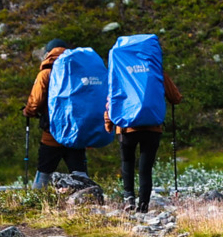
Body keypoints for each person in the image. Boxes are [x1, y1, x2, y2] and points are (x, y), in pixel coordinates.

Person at [104, 33, 184, 213]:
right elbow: (174, 97)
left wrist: (109, 122)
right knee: (145, 167)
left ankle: (129, 198)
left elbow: (112, 96)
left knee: (127, 162)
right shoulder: (156, 69)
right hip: (152, 127)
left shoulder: (121, 69)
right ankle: (144, 205)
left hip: (127, 127)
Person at [24, 42, 105, 188]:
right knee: (80, 172)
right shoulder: (77, 70)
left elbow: (35, 102)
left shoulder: (46, 73)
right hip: (75, 132)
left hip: (52, 133)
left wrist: (28, 112)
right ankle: (88, 199)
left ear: (48, 53)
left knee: (44, 172)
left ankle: (36, 201)